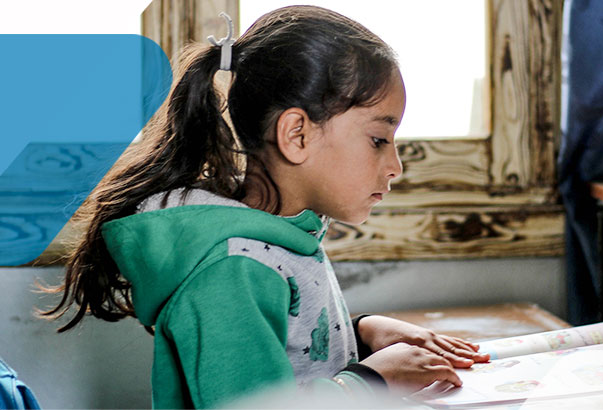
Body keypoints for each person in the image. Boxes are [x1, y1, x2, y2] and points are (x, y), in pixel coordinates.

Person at [41, 5, 489, 408]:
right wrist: (374, 381)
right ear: (297, 134)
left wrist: (364, 333)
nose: (395, 167)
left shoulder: (277, 236)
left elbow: (283, 356)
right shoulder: (230, 267)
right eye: (378, 140)